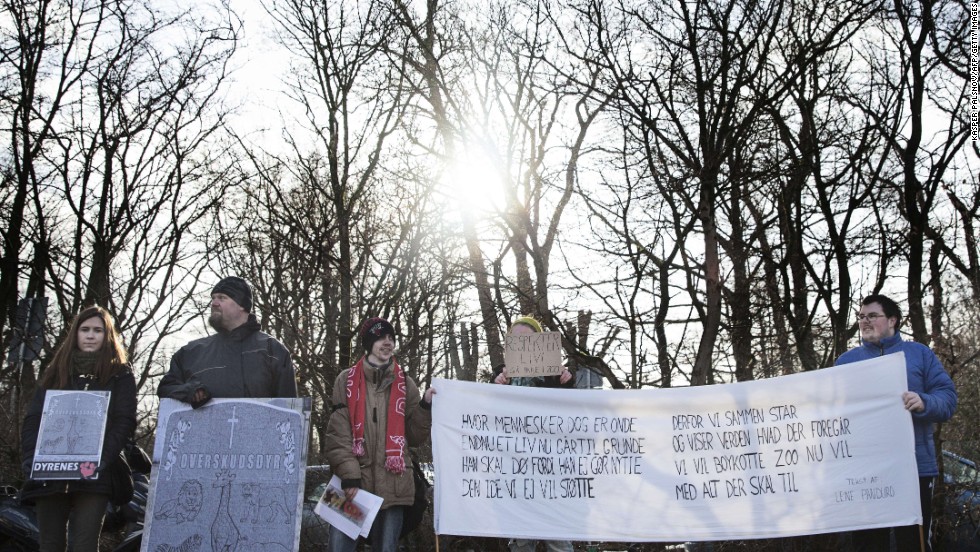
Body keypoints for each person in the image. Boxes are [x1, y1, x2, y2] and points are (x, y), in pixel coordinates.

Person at [835, 294, 957, 552]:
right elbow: (830, 411)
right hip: (865, 472)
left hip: (914, 470)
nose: (864, 321)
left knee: (914, 543)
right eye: (861, 316)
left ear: (892, 320)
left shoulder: (919, 354)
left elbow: (947, 399)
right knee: (868, 545)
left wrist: (924, 402)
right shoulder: (846, 362)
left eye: (872, 316)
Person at [20, 306, 137, 552]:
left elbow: (124, 422)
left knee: (84, 545)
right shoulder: (56, 371)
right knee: (50, 544)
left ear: (108, 336)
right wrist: (31, 459)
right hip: (50, 470)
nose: (91, 335)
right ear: (75, 333)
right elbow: (33, 419)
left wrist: (100, 460)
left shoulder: (120, 374)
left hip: (95, 474)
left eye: (98, 330)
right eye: (85, 330)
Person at [325, 317, 435, 552]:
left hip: (394, 486)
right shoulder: (345, 380)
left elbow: (414, 438)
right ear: (368, 343)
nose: (388, 342)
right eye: (381, 338)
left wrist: (425, 408)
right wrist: (349, 475)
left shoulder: (406, 383)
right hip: (351, 487)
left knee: (386, 549)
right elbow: (338, 435)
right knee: (339, 548)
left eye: (391, 338)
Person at [493, 315, 574, 552]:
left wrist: (567, 383)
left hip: (553, 473)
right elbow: (487, 415)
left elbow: (574, 417)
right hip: (516, 473)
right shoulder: (501, 376)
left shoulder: (556, 375)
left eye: (528, 339)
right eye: (515, 339)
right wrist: (496, 385)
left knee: (558, 540)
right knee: (521, 542)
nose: (522, 344)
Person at [158, 276, 297, 405]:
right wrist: (189, 391)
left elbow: (288, 411)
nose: (214, 303)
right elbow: (166, 388)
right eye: (213, 298)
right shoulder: (191, 353)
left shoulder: (272, 350)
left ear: (242, 304)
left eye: (222, 298)